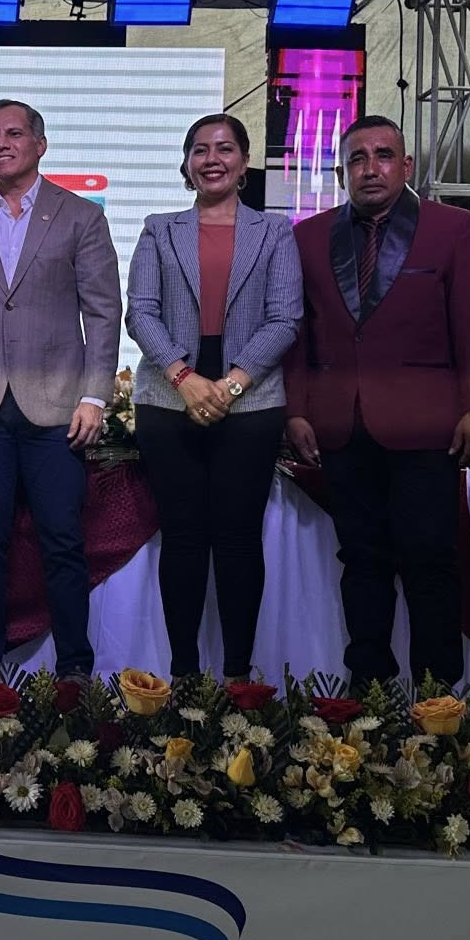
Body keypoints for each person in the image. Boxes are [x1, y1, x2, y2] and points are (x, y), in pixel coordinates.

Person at [283, 114, 470, 687]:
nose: (370, 168)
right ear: (341, 173)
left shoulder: (453, 228)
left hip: (428, 428)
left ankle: (437, 701)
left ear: (406, 166)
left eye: (382, 156)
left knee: (431, 562)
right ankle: (367, 696)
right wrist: (296, 409)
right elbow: (298, 334)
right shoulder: (307, 236)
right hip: (340, 426)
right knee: (361, 562)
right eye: (357, 158)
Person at [0, 98, 122, 677]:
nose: (1, 144)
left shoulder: (80, 216)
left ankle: (75, 672)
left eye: (13, 134)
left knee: (63, 543)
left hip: (58, 408)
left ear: (40, 144)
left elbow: (103, 312)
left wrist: (95, 395)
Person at [125, 113, 303, 679]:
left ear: (244, 162)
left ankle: (237, 678)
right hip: (167, 398)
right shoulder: (159, 229)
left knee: (238, 540)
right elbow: (141, 313)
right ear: (186, 164)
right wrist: (185, 378)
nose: (212, 159)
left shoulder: (275, 231)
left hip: (250, 402)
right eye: (199, 149)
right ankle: (181, 678)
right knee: (181, 539)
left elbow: (285, 317)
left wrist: (230, 384)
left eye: (225, 148)